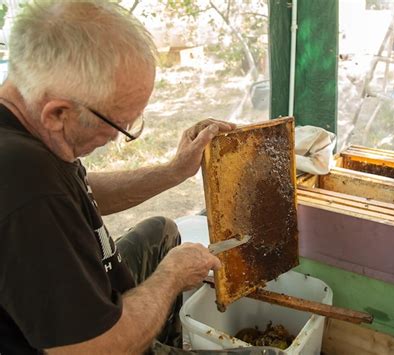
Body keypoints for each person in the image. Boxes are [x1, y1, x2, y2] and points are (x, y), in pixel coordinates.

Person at [0, 1, 237, 353]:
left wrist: (174, 171)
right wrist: (170, 278)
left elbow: (78, 190)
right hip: (96, 343)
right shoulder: (26, 182)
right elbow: (90, 350)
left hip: (92, 296)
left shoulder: (30, 130)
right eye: (117, 124)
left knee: (161, 232)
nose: (119, 137)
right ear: (57, 113)